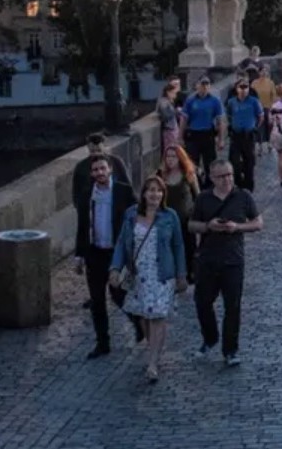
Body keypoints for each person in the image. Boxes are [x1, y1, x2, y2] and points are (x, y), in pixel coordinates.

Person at [108, 176, 187, 382]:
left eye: (159, 190)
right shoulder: (131, 214)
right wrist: (115, 268)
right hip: (139, 274)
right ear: (143, 193)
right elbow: (121, 243)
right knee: (144, 315)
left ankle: (152, 363)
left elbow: (178, 246)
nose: (155, 194)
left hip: (162, 275)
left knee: (157, 316)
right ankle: (154, 348)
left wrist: (182, 274)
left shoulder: (170, 216)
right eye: (151, 190)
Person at [189, 159, 263, 366]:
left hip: (233, 260)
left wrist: (237, 227)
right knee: (203, 302)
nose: (227, 179)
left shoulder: (243, 196)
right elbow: (192, 225)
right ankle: (210, 337)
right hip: (207, 259)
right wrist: (208, 226)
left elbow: (258, 223)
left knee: (233, 306)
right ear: (212, 178)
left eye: (229, 174)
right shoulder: (203, 198)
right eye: (221, 176)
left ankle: (230, 350)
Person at [74, 154, 140, 358]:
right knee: (97, 301)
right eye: (95, 170)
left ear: (110, 169)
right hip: (94, 252)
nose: (99, 173)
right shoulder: (86, 194)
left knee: (118, 295)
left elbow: (137, 217)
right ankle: (102, 343)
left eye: (103, 168)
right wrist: (79, 255)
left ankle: (138, 323)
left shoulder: (123, 191)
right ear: (91, 173)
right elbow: (82, 226)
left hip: (115, 253)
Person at [157, 144, 200, 283]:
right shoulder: (160, 176)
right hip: (167, 219)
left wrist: (197, 215)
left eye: (174, 156)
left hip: (185, 218)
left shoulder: (188, 175)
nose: (170, 159)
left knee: (188, 246)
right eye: (168, 156)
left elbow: (197, 196)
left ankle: (189, 272)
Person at [182, 77, 226, 187]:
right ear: (197, 85)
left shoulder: (215, 101)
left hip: (208, 135)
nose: (205, 87)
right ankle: (196, 188)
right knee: (192, 164)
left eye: (207, 84)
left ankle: (210, 187)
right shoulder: (190, 100)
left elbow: (220, 121)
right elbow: (184, 120)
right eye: (202, 84)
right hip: (193, 135)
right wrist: (179, 137)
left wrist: (221, 139)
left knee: (210, 164)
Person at [225, 80, 265, 191]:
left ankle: (248, 185)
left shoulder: (254, 101)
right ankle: (238, 183)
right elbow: (228, 115)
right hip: (236, 135)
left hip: (248, 135)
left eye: (245, 87)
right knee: (234, 161)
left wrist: (255, 126)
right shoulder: (232, 102)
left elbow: (261, 116)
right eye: (241, 87)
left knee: (249, 161)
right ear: (236, 89)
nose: (243, 90)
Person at [157, 84, 183, 152]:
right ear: (168, 92)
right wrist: (176, 111)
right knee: (171, 150)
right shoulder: (163, 102)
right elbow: (166, 115)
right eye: (174, 93)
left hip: (173, 128)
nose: (175, 95)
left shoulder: (169, 101)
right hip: (169, 129)